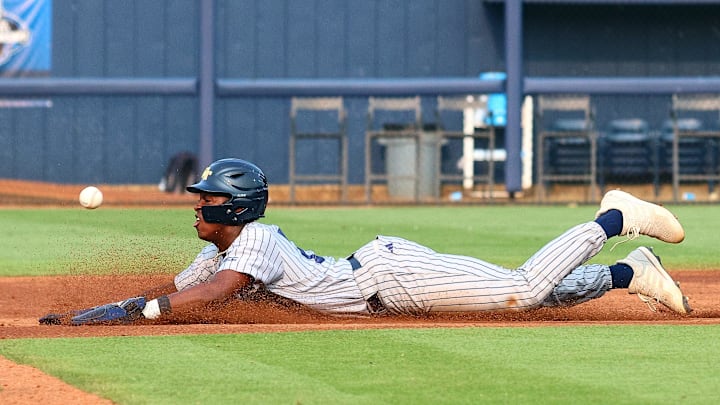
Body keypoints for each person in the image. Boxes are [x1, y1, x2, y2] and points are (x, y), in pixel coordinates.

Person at [40, 158, 691, 325]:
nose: (197, 207)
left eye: (205, 199)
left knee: (521, 290)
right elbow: (185, 285)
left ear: (234, 206)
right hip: (386, 288)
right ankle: (629, 273)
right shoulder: (223, 248)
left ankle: (614, 220)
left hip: (392, 275)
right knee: (540, 297)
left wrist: (144, 314)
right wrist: (125, 302)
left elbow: (213, 294)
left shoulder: (254, 245)